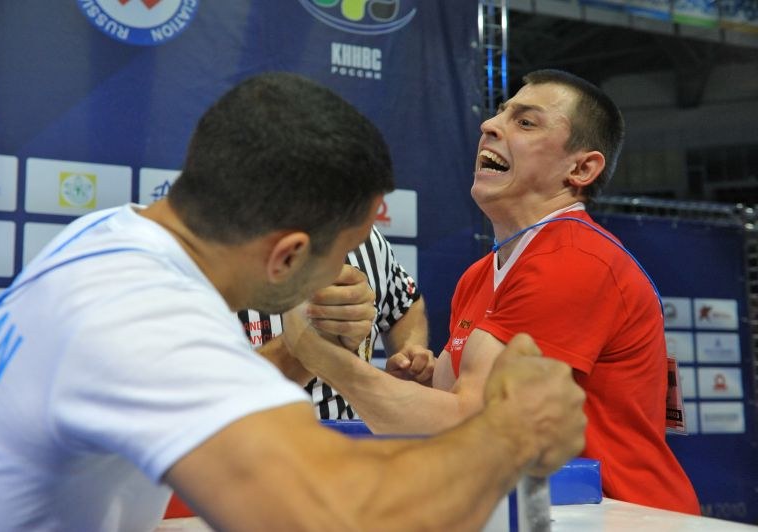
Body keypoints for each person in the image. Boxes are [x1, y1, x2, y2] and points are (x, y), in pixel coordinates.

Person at [0, 72, 586, 531]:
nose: (345, 270)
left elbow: (201, 388)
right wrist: (511, 431)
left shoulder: (109, 237)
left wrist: (302, 349)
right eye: (342, 251)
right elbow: (341, 516)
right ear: (288, 256)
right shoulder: (141, 318)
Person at [280, 69, 699, 514]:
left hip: (624, 514)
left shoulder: (574, 259)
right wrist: (423, 385)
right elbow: (453, 410)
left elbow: (471, 428)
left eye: (526, 122)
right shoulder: (481, 274)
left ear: (581, 168)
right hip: (551, 509)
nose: (490, 125)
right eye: (499, 113)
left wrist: (318, 353)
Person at [240, 225, 433, 420]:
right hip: (249, 440)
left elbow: (405, 303)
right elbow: (215, 390)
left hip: (350, 439)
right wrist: (308, 344)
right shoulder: (221, 245)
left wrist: (408, 355)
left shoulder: (366, 237)